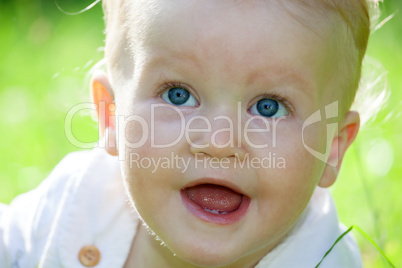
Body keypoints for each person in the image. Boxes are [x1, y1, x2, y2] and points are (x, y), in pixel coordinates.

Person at [1, 0, 381, 267]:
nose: (218, 142)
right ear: (112, 116)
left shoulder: (324, 260)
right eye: (178, 95)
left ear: (331, 147)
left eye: (269, 107)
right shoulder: (76, 203)